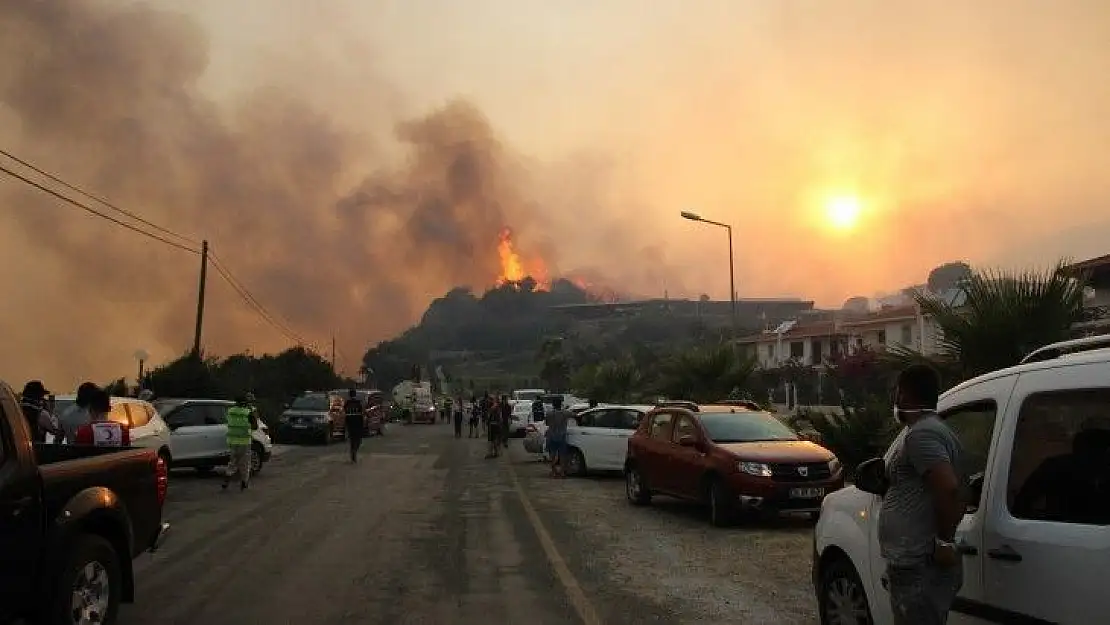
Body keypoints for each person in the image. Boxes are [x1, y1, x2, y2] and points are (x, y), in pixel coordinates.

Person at [879, 364, 964, 625]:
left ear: (903, 395)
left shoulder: (922, 435)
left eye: (897, 393)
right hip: (915, 561)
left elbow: (948, 489)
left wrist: (944, 542)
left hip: (918, 562)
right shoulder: (933, 429)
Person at [223, 395, 258, 491]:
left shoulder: (230, 411)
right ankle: (244, 482)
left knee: (232, 461)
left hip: (232, 441)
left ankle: (227, 479)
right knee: (245, 463)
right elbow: (255, 426)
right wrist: (253, 411)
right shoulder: (248, 412)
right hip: (244, 441)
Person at [545, 396, 572, 478]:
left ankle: (554, 472)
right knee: (562, 455)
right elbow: (575, 415)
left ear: (553, 405)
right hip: (562, 436)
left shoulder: (549, 413)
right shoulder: (565, 413)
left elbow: (546, 423)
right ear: (561, 404)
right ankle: (562, 472)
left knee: (552, 455)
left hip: (552, 435)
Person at [344, 389, 366, 463]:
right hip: (357, 424)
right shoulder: (358, 403)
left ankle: (353, 453)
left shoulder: (347, 403)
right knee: (358, 441)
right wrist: (363, 425)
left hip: (350, 424)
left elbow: (345, 415)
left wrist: (346, 425)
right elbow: (362, 414)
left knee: (352, 441)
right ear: (355, 395)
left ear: (349, 395)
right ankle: (354, 452)